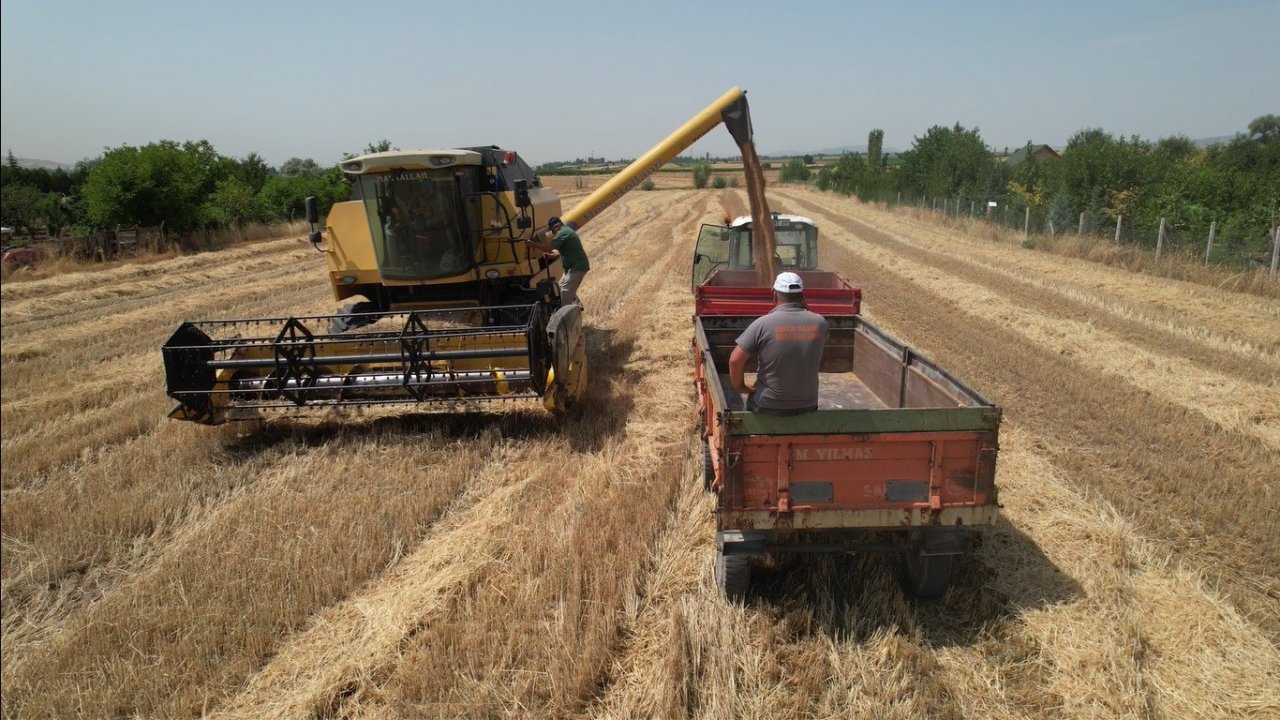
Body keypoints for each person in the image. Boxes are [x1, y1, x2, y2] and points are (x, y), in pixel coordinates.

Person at [729, 272, 829, 415]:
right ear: (802, 295)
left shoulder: (763, 324)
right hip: (808, 405)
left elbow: (734, 360)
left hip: (768, 405)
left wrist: (741, 387)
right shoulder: (820, 323)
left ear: (775, 295)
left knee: (751, 403)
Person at [522, 216, 590, 307]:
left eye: (553, 231)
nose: (553, 233)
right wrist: (555, 255)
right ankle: (578, 306)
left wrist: (531, 244)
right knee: (562, 283)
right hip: (574, 266)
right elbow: (568, 249)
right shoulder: (566, 231)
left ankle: (566, 312)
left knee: (565, 289)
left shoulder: (563, 233)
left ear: (556, 226)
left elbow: (549, 248)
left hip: (577, 267)